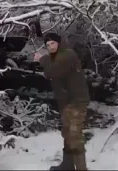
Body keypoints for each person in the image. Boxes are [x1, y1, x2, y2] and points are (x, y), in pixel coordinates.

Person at [34, 33, 90, 171]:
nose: (50, 47)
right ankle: (68, 165)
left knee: (74, 136)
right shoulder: (55, 58)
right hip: (66, 103)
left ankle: (81, 168)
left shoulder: (68, 54)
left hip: (76, 102)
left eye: (52, 43)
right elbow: (49, 73)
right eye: (47, 45)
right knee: (67, 133)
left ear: (59, 43)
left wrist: (42, 59)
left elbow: (54, 69)